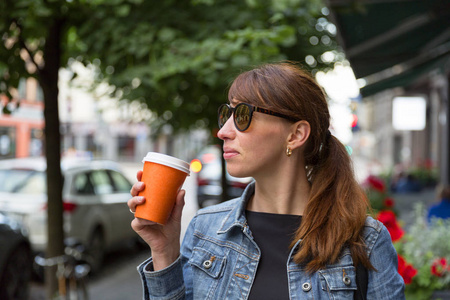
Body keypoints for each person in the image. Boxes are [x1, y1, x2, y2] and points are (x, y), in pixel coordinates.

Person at [128, 62, 405, 299]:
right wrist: (164, 252)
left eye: (243, 116)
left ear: (295, 135)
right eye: (226, 114)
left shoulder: (364, 240)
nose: (223, 131)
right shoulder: (205, 228)